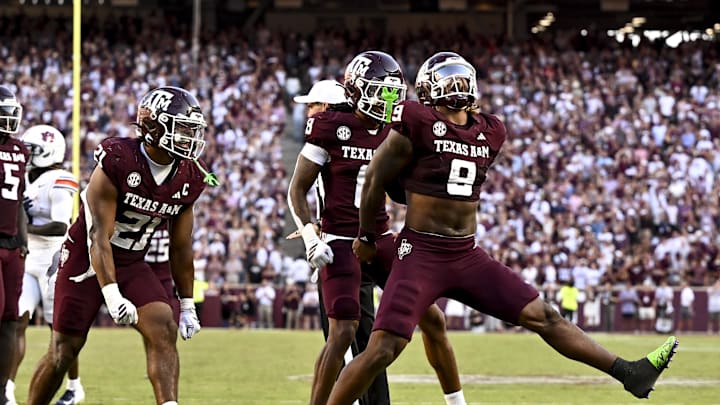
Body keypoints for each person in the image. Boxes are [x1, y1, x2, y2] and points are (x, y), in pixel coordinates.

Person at [327, 52, 679, 404]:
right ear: (427, 90)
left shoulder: (490, 131)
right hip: (421, 252)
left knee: (545, 315)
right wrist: (368, 236)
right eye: (448, 80)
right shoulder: (416, 121)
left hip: (465, 253)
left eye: (462, 79)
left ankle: (630, 373)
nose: (457, 86)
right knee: (382, 350)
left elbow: (442, 165)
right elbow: (374, 178)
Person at [288, 51, 466, 405]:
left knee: (432, 317)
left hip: (380, 238)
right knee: (342, 334)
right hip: (339, 239)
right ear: (355, 90)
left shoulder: (395, 129)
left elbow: (401, 190)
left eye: (391, 92)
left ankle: (456, 402)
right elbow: (297, 189)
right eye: (379, 91)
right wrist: (310, 236)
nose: (387, 101)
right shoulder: (330, 128)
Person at [27, 86, 214, 405]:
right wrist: (111, 294)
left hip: (130, 261)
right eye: (181, 127)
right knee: (64, 350)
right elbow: (98, 234)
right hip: (84, 258)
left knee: (163, 326)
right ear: (154, 126)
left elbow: (181, 247)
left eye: (191, 129)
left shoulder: (189, 176)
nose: (189, 137)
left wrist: (185, 303)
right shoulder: (118, 159)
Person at [288, 78, 395, 404]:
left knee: (348, 336)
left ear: (330, 107)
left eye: (313, 105)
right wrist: (315, 229)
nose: (309, 112)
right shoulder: (348, 132)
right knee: (348, 337)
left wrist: (316, 231)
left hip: (351, 245)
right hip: (345, 240)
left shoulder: (337, 129)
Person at [5, 126, 83, 405]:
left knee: (59, 331)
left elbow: (60, 226)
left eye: (33, 150)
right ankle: (7, 389)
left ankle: (74, 387)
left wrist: (24, 223)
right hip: (28, 259)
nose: (28, 155)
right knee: (16, 322)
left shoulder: (60, 179)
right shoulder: (24, 177)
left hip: (53, 260)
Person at [0, 85, 29, 405]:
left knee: (11, 319)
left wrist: (23, 241)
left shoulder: (21, 149)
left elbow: (18, 198)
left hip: (13, 247)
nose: (8, 117)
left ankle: (2, 394)